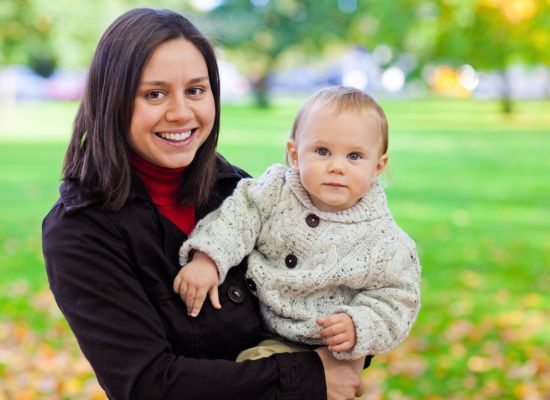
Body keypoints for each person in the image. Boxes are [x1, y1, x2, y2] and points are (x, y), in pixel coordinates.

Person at [41, 8, 365, 400]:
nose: (181, 113)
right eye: (154, 94)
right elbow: (147, 384)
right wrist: (311, 376)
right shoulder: (80, 230)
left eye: (195, 90)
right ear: (113, 101)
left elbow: (328, 298)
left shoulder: (241, 192)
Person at [174, 86, 421, 366]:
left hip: (321, 346)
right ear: (294, 153)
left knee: (254, 369)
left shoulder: (385, 242)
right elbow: (237, 219)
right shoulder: (275, 192)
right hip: (253, 317)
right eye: (322, 151)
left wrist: (359, 325)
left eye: (354, 156)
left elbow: (397, 299)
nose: (337, 167)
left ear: (378, 166)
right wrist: (208, 258)